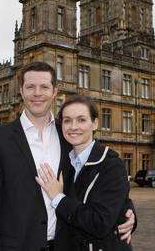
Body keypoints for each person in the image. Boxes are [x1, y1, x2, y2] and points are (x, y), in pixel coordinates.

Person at [0, 62, 136, 251]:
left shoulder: (69, 134)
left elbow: (99, 178)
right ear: (21, 90)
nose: (37, 93)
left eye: (44, 87)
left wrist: (128, 212)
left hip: (66, 245)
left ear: (54, 92)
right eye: (30, 87)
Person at [36, 95, 133, 250]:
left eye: (81, 120)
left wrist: (58, 198)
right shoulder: (62, 161)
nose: (73, 126)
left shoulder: (111, 164)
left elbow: (100, 222)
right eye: (67, 120)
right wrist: (127, 212)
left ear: (94, 123)